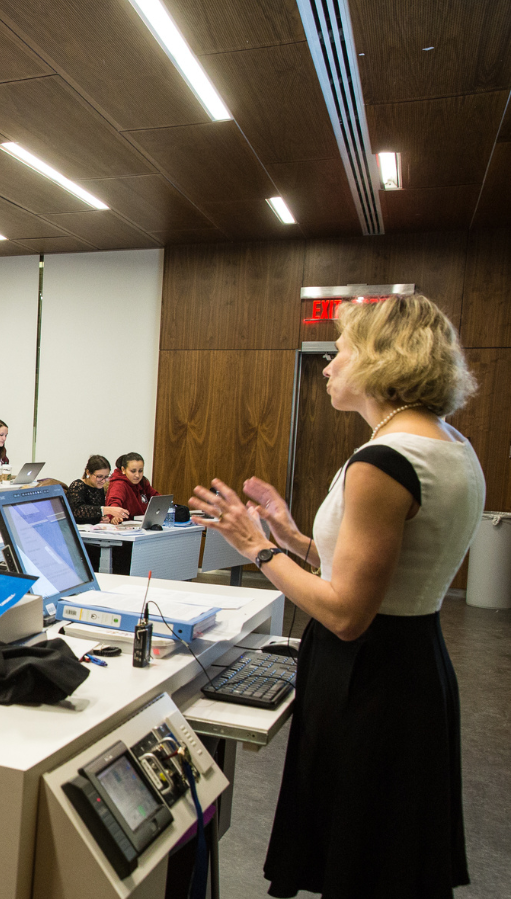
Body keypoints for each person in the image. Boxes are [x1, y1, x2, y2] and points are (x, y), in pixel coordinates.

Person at [189, 294, 484, 899]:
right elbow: (378, 570)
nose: (328, 366)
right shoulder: (448, 442)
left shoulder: (383, 459)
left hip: (370, 677)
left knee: (363, 856)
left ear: (381, 359)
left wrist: (254, 548)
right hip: (413, 663)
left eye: (342, 351)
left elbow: (348, 613)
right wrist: (291, 535)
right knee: (389, 856)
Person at [66, 455, 128, 524]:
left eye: (106, 477)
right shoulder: (77, 486)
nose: (103, 481)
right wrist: (106, 510)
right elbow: (77, 511)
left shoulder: (99, 488)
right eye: (99, 476)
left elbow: (95, 514)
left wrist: (103, 519)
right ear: (88, 472)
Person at [106, 452, 159, 520]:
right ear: (123, 470)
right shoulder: (119, 484)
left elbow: (156, 497)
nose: (137, 475)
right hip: (124, 525)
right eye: (133, 471)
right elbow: (114, 503)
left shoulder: (142, 481)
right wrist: (114, 516)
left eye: (140, 471)